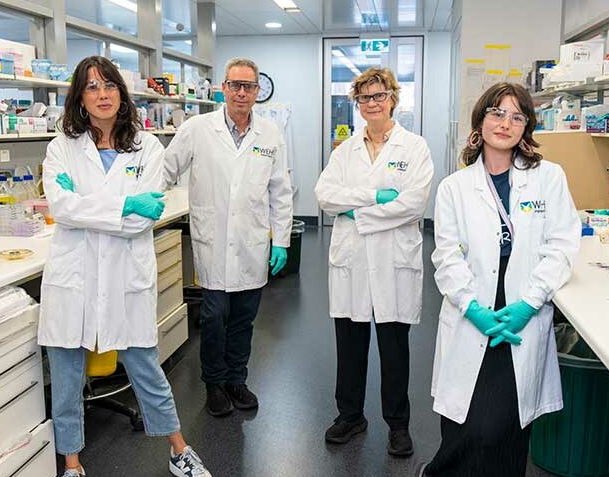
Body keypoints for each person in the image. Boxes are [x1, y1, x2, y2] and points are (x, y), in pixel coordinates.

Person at [39, 56, 211, 477]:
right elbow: (61, 208)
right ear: (79, 98)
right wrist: (124, 204)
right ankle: (72, 464)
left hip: (124, 276)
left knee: (146, 367)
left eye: (109, 85)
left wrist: (86, 206)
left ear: (121, 92)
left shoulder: (147, 147)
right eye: (92, 87)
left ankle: (178, 449)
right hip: (74, 277)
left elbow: (139, 222)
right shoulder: (62, 147)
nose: (102, 94)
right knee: (66, 375)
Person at [415, 82, 581, 477]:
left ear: (526, 127)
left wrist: (530, 303)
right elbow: (446, 256)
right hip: (474, 310)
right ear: (480, 121)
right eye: (497, 113)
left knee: (506, 424)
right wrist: (472, 307)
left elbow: (562, 245)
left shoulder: (548, 178)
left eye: (516, 116)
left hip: (522, 310)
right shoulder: (454, 187)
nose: (505, 123)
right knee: (465, 419)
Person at [162, 57, 294, 417]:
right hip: (214, 241)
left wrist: (282, 240)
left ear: (257, 91)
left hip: (251, 242)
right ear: (224, 88)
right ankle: (214, 384)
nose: (241, 93)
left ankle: (237, 379)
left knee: (243, 318)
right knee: (214, 317)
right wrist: (140, 200)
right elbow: (165, 170)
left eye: (248, 86)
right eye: (235, 85)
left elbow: (281, 191)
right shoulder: (198, 128)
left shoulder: (270, 134)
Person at [314, 67, 434, 457]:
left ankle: (398, 425)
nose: (372, 103)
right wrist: (374, 197)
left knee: (394, 349)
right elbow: (325, 196)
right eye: (364, 97)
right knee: (349, 346)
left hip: (393, 261)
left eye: (379, 95)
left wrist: (356, 212)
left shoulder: (414, 147)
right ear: (358, 103)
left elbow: (413, 203)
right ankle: (350, 416)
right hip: (352, 261)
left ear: (392, 98)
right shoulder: (344, 150)